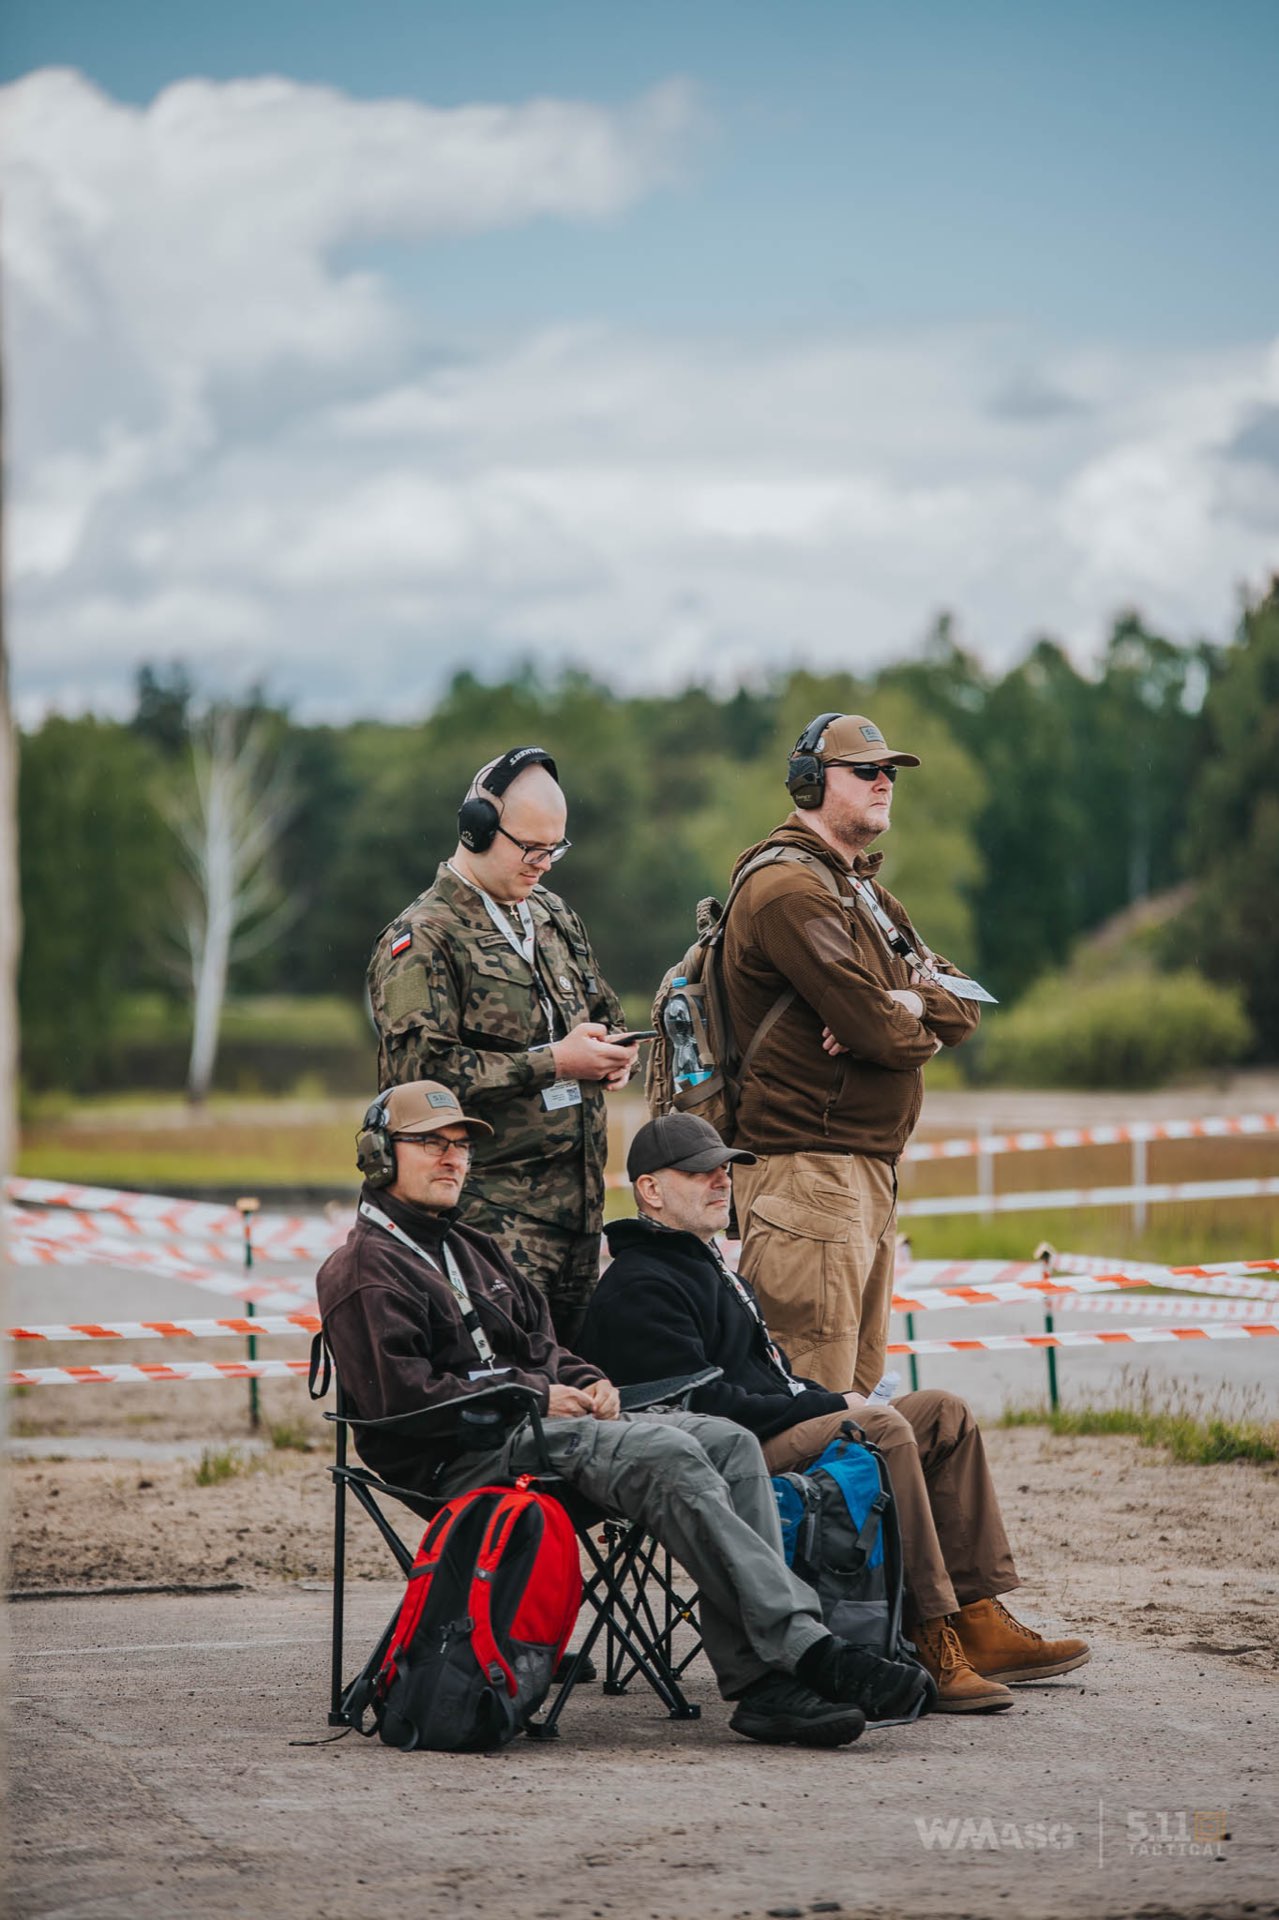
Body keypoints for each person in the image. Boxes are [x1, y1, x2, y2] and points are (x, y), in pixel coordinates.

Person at [316, 1079, 935, 1749]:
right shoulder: (363, 1268)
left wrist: (590, 1381)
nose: (451, 1158)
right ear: (380, 1155)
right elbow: (404, 1398)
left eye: (460, 1145)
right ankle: (804, 1652)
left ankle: (762, 1686)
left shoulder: (474, 1248)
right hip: (457, 1457)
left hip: (542, 1432)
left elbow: (545, 1349)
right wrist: (533, 1394)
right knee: (666, 1452)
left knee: (728, 1441)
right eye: (430, 1143)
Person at [578, 1114, 1091, 1713]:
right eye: (699, 1172)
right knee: (879, 1427)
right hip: (720, 1457)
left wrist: (823, 1397)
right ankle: (926, 1632)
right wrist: (829, 1403)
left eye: (725, 1170)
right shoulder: (640, 1282)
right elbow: (699, 1406)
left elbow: (769, 1378)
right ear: (650, 1190)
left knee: (942, 1412)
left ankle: (978, 1619)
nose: (721, 1181)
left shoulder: (710, 1265)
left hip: (763, 1431)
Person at [721, 711, 989, 1397]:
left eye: (889, 772)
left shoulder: (863, 891)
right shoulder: (787, 889)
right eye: (865, 770)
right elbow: (873, 1032)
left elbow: (964, 1004)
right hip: (809, 1175)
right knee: (812, 1399)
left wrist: (907, 1004)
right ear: (809, 783)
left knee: (857, 1395)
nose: (883, 783)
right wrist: (890, 1015)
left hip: (856, 1175)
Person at [367, 745, 638, 1345]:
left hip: (579, 1217)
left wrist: (614, 1053)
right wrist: (556, 1063)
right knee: (511, 1384)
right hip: (487, 1222)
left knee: (576, 1386)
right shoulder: (423, 938)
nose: (544, 865)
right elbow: (419, 1078)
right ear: (478, 828)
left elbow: (602, 1008)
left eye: (555, 849)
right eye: (531, 848)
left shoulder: (553, 917)